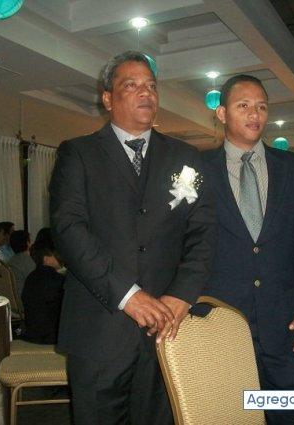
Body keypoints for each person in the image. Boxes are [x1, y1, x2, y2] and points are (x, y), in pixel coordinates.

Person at [49, 51, 216, 424]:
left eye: (151, 86)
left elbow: (203, 233)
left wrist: (182, 294)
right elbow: (69, 230)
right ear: (108, 98)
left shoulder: (186, 156)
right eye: (132, 85)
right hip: (100, 329)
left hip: (167, 329)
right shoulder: (78, 153)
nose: (146, 93)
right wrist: (128, 295)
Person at [200, 74, 294, 424]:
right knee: (231, 413)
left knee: (288, 414)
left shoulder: (292, 167)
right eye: (243, 106)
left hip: (285, 322)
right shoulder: (198, 168)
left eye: (262, 107)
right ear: (222, 113)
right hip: (222, 319)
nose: (255, 114)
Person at [21, 241, 64, 344]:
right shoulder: (57, 280)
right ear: (46, 259)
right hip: (50, 335)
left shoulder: (31, 277)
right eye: (55, 255)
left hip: (32, 331)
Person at [8, 230, 35, 296]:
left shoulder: (10, 261)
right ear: (27, 243)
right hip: (25, 298)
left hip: (13, 298)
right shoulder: (29, 261)